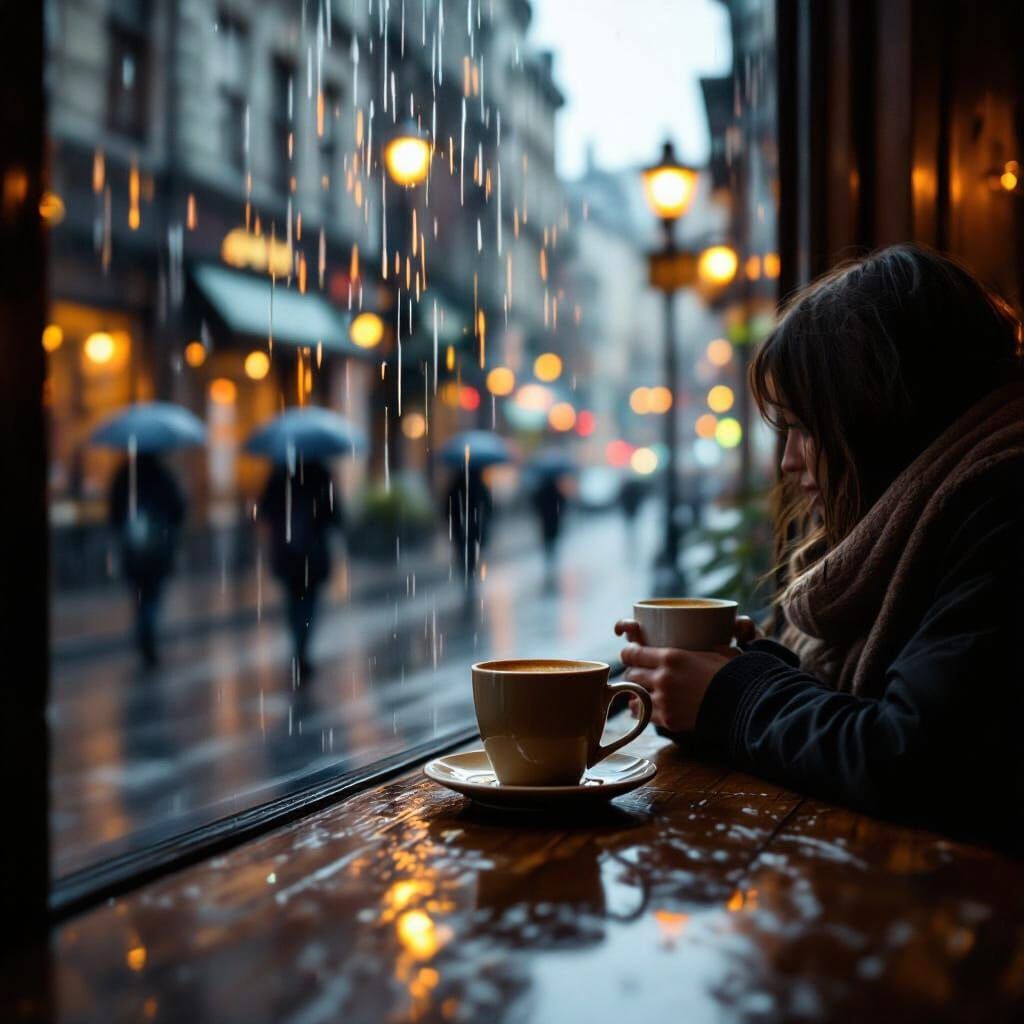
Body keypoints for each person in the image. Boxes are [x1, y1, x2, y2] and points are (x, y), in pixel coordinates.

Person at [616, 244, 1024, 845]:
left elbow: (912, 759)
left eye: (806, 428)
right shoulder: (964, 498)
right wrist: (745, 671)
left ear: (881, 416)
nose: (788, 461)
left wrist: (733, 697)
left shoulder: (1002, 508)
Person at [259, 458, 343, 681]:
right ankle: (301, 648)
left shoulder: (280, 473)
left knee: (294, 601)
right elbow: (336, 515)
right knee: (308, 603)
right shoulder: (321, 474)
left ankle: (299, 646)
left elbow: (265, 509)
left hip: (288, 553)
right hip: (312, 553)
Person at [109, 452, 185, 667]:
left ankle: (144, 628)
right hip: (157, 548)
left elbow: (114, 512)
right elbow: (178, 510)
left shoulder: (124, 474)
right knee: (153, 592)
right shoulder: (163, 475)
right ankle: (147, 628)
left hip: (132, 548)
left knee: (140, 592)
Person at [447, 467, 493, 597]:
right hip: (473, 527)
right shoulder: (479, 484)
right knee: (471, 553)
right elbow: (489, 506)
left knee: (463, 553)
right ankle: (470, 577)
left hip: (460, 527)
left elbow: (448, 506)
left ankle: (467, 577)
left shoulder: (455, 485)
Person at [529, 474, 565, 589]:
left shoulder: (541, 491)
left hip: (545, 520)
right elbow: (562, 503)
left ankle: (549, 554)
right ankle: (551, 554)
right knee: (552, 538)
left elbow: (535, 503)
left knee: (547, 538)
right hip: (553, 520)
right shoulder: (555, 490)